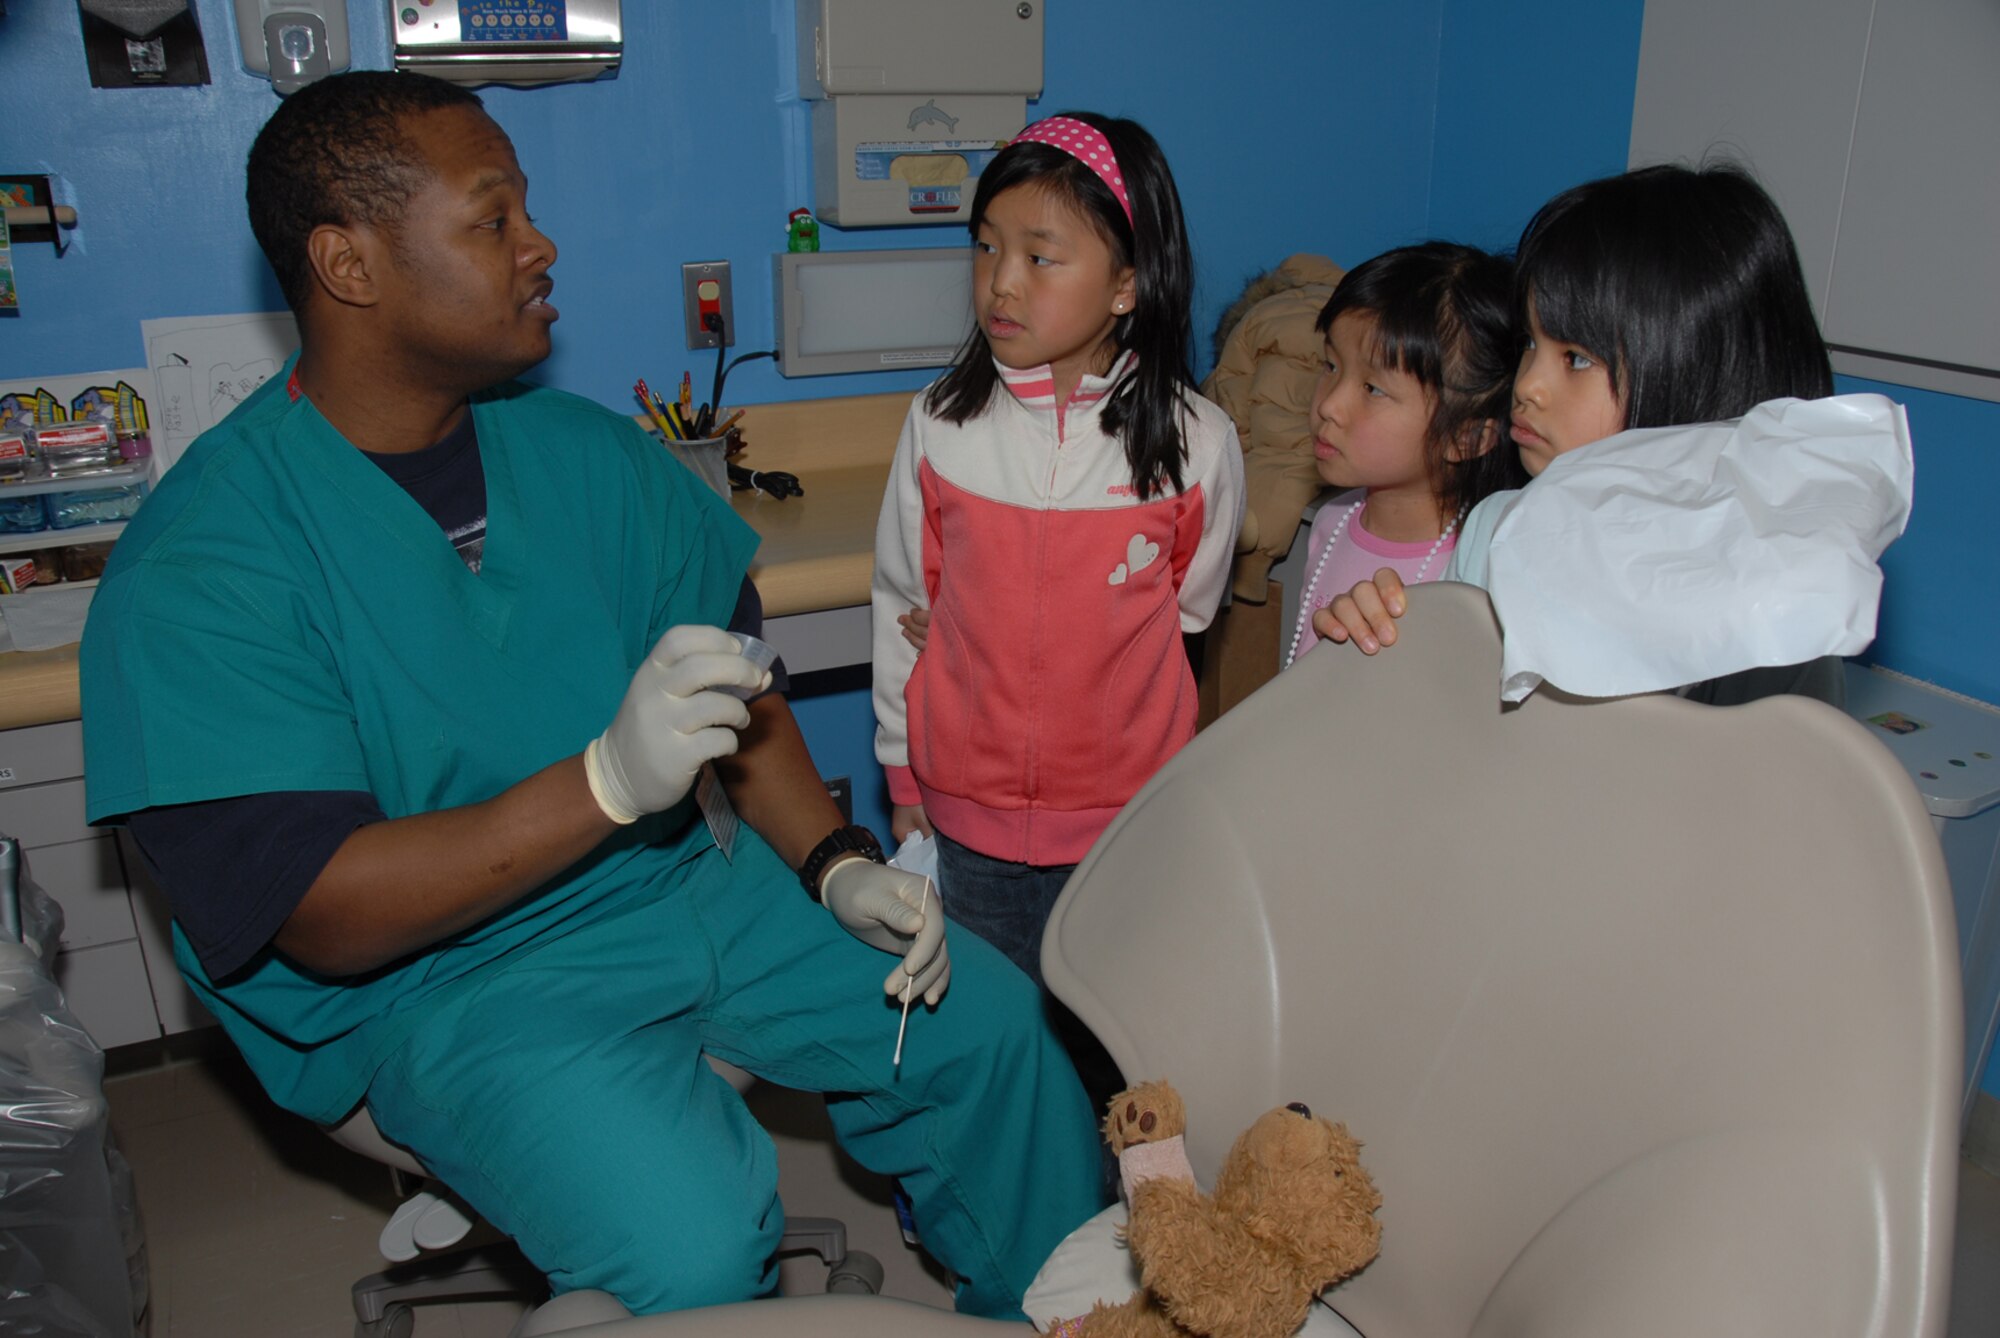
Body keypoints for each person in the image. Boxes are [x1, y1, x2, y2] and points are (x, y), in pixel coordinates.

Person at [78, 71, 1101, 1319]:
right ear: (350, 264)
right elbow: (323, 916)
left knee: (994, 1038)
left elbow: (748, 691)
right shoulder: (205, 565)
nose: (538, 243)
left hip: (687, 887)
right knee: (688, 1241)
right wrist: (608, 781)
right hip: (444, 986)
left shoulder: (583, 457)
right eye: (492, 216)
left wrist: (834, 864)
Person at [870, 114, 1243, 1087]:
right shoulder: (940, 427)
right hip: (967, 819)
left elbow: (1187, 615)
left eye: (1041, 256)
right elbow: (900, 605)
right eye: (986, 246)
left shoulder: (1196, 446)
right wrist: (903, 787)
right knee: (993, 1047)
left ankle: (1116, 1223)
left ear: (1126, 285)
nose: (1000, 281)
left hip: (1122, 821)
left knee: (1114, 1050)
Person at [1315, 163, 1851, 706]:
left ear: (1693, 375)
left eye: (1574, 358)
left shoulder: (1778, 611)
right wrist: (1384, 645)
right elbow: (1442, 720)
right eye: (1529, 343)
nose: (1529, 385)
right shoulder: (1496, 532)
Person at [1282, 241, 1524, 668]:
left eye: (1373, 389)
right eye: (1331, 365)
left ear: (1466, 439)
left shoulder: (1477, 568)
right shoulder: (1331, 522)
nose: (1328, 406)